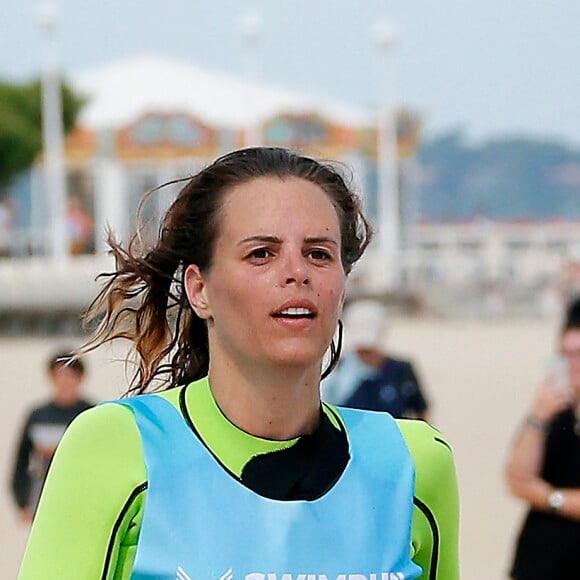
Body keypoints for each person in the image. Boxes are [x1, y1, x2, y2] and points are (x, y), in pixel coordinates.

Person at [19, 147, 459, 579]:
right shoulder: (119, 448)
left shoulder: (412, 464)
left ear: (343, 285)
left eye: (319, 253)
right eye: (261, 253)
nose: (296, 273)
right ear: (199, 289)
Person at [505, 297, 580, 578]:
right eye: (566, 355)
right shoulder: (554, 412)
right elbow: (517, 479)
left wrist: (549, 498)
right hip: (540, 559)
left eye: (578, 354)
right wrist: (537, 418)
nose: (572, 364)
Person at [11, 350, 93, 524]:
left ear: (80, 378)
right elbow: (21, 460)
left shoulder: (91, 414)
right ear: (51, 378)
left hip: (83, 499)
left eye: (70, 375)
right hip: (44, 498)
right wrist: (22, 502)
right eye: (60, 375)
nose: (65, 381)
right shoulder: (38, 416)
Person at [322, 299, 430, 420]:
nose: (366, 354)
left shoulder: (401, 370)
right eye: (362, 349)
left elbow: (422, 412)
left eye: (369, 349)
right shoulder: (337, 370)